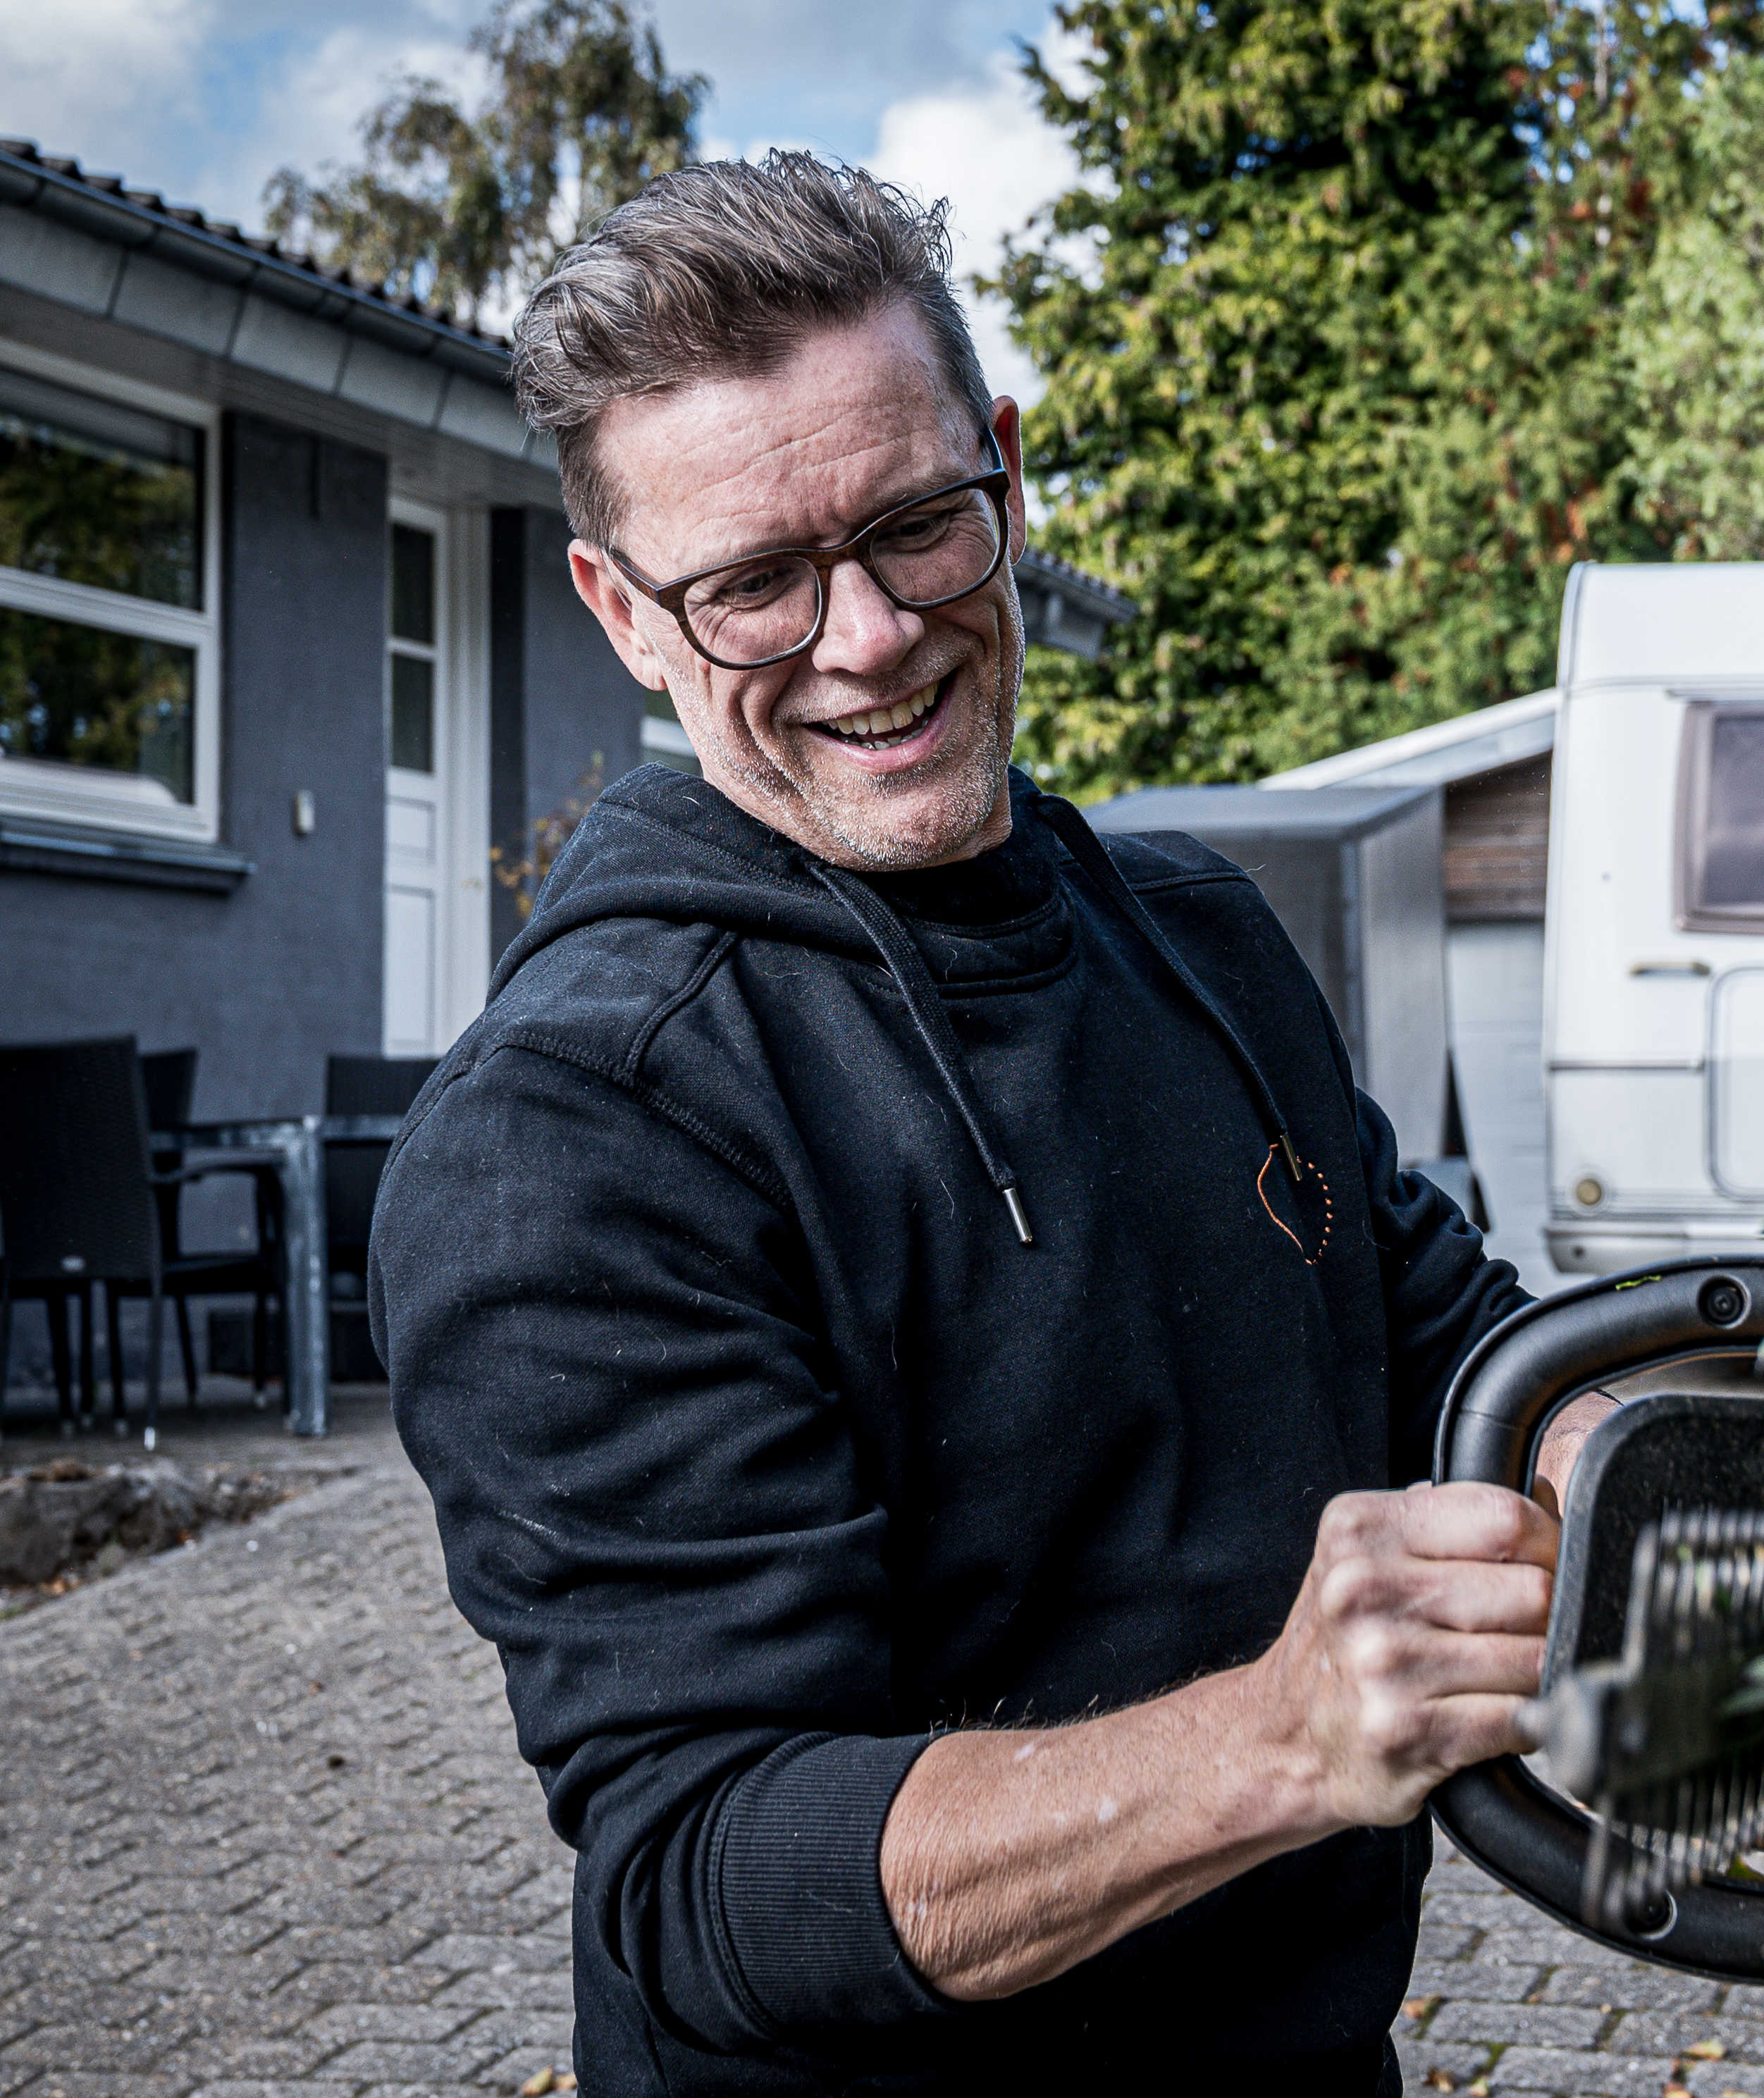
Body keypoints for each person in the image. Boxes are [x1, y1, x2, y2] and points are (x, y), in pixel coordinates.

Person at [369, 152, 1551, 2096]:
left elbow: (1463, 1354)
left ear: (1003, 472)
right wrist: (1281, 1736)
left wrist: (1645, 1449)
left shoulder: (1198, 940)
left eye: (916, 525)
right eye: (754, 585)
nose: (866, 636)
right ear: (624, 613)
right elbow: (712, 1871)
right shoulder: (575, 1131)